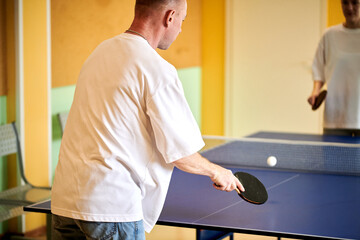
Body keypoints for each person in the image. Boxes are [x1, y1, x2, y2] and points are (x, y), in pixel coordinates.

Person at [51, 0, 244, 239]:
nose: (181, 29)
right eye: (182, 20)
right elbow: (181, 153)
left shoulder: (99, 52)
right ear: (169, 17)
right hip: (111, 208)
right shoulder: (157, 69)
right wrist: (217, 172)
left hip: (65, 201)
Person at [308, 0, 360, 136]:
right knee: (333, 157)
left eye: (355, 3)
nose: (350, 8)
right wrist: (315, 91)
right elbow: (318, 68)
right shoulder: (329, 35)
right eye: (345, 3)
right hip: (335, 119)